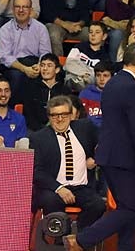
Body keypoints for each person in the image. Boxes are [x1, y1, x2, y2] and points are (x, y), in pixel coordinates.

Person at [64, 42, 135, 251]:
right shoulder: (130, 86)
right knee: (128, 209)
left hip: (109, 155)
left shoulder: (116, 83)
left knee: (127, 208)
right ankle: (79, 241)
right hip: (123, 157)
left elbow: (126, 107)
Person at [31, 95, 104, 231]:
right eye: (55, 115)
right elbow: (37, 171)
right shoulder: (38, 138)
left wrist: (95, 158)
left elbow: (106, 140)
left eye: (64, 115)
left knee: (98, 205)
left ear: (72, 115)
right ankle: (61, 240)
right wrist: (59, 188)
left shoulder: (85, 127)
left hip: (82, 187)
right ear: (49, 117)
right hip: (55, 188)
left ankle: (77, 236)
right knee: (51, 201)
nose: (59, 119)